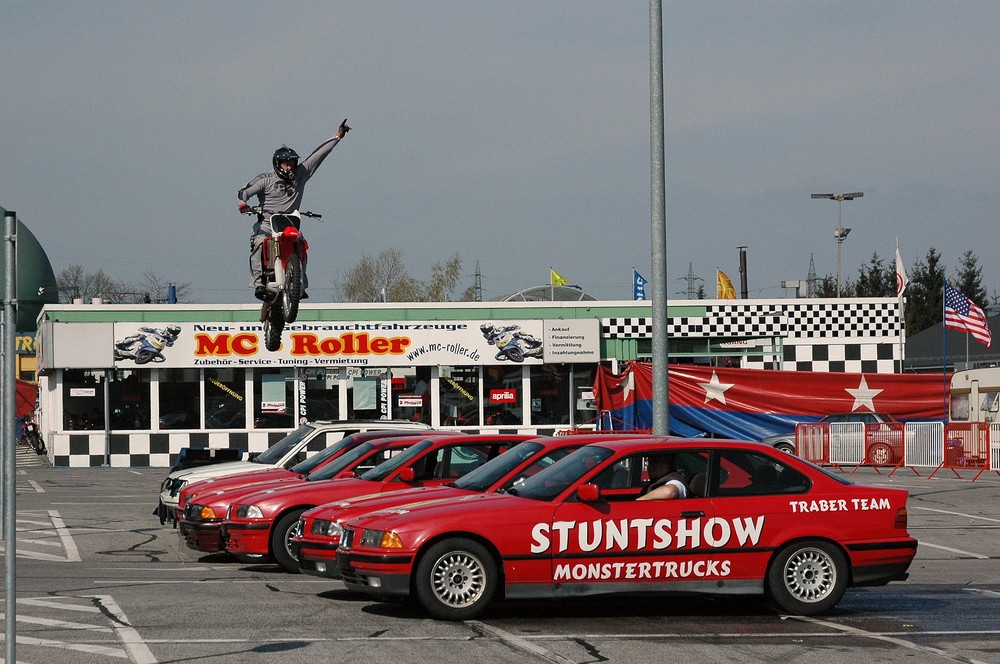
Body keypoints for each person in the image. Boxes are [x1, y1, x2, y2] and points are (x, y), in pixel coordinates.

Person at [238, 119, 351, 301]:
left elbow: (318, 155)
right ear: (277, 163)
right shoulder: (265, 179)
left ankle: (299, 284)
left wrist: (338, 136)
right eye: (285, 163)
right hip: (267, 224)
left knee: (302, 244)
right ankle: (258, 282)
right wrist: (243, 203)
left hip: (290, 224)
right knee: (259, 243)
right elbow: (245, 191)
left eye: (291, 163)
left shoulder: (301, 174)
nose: (289, 166)